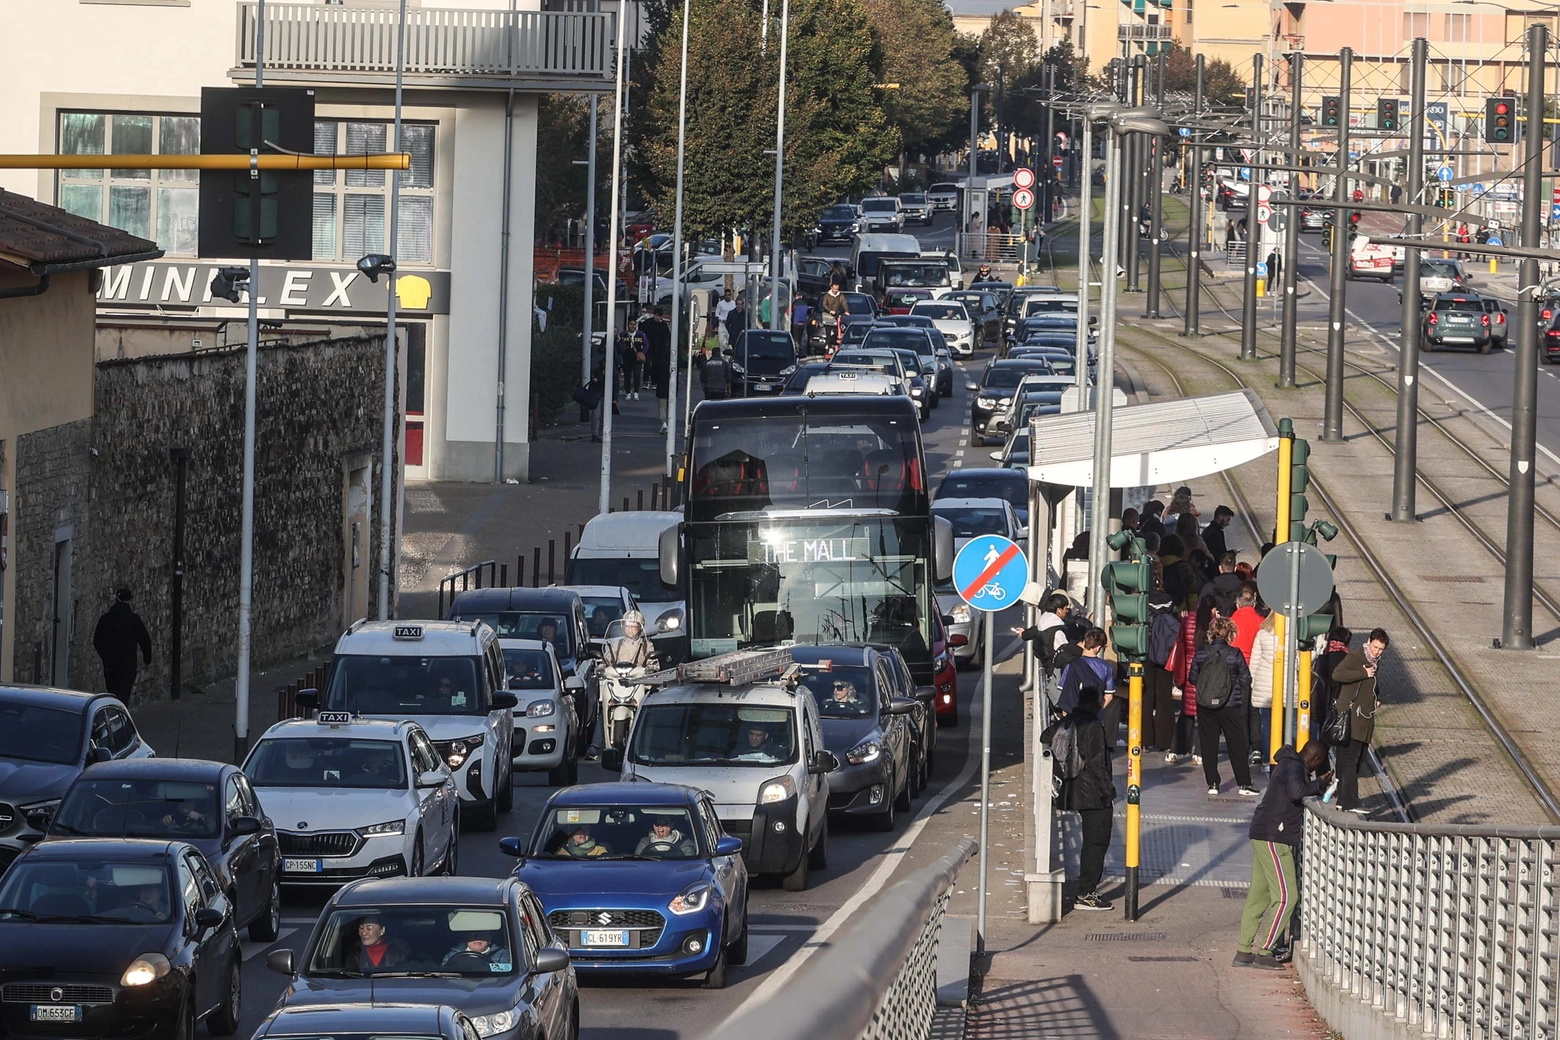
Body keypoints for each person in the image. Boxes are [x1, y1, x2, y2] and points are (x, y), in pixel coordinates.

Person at [1235, 740, 1331, 970]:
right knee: (1288, 897)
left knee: (1260, 896)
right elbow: (1297, 791)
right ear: (1315, 760)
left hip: (1263, 833)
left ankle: (1244, 951)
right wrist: (1319, 783)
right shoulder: (1294, 767)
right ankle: (1265, 951)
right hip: (1274, 838)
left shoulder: (1288, 763)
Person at [1041, 683, 1115, 912]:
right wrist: (1108, 791)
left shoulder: (1069, 720)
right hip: (1092, 792)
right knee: (1097, 841)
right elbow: (1096, 763)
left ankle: (1085, 890)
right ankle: (1086, 893)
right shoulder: (1093, 725)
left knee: (1091, 840)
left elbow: (1046, 735)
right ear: (1096, 703)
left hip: (1072, 789)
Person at [1189, 617, 1257, 796]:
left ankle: (1212, 784)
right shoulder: (1234, 654)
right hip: (1230, 705)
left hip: (1205, 705)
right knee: (1236, 745)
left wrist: (1209, 689)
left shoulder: (1201, 652)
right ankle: (1244, 784)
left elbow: (1193, 678)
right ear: (1230, 634)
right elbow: (1246, 678)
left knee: (1208, 744)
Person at [1330, 628, 1389, 814]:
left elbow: (1372, 683)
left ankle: (1342, 799)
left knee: (1356, 759)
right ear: (1368, 641)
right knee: (1350, 760)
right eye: (1375, 647)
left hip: (1363, 719)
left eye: (1380, 649)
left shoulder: (1374, 662)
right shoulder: (1356, 657)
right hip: (1352, 718)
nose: (1376, 652)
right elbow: (1337, 674)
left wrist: (1377, 696)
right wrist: (1362, 674)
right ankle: (1351, 802)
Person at [1166, 594, 1214, 764]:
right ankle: (1199, 754)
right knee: (1205, 716)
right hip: (1207, 674)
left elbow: (1181, 644)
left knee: (1186, 714)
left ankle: (1175, 751)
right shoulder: (1213, 622)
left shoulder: (1187, 621)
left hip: (1188, 673)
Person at [93, 588, 152, 703]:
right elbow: (145, 640)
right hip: (128, 664)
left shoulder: (106, 619)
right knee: (124, 694)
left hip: (110, 664)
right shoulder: (134, 619)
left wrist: (106, 657)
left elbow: (97, 641)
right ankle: (121, 718)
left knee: (112, 692)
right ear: (130, 601)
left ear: (116, 599)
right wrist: (147, 659)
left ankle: (113, 717)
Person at [1056, 627, 1116, 724]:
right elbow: (1109, 696)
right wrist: (1096, 710)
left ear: (1084, 643)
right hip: (1093, 719)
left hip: (1072, 718)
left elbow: (1065, 693)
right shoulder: (1106, 668)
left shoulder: (1071, 665)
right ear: (1099, 647)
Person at [1013, 592, 1073, 686]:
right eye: (1066, 608)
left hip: (1048, 670)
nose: (1067, 611)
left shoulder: (1044, 623)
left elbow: (1034, 630)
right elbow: (1066, 654)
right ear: (1059, 610)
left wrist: (1024, 633)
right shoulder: (1057, 631)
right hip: (1058, 674)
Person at [1247, 610, 1278, 767]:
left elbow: (1255, 661)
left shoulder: (1262, 634)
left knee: (1266, 722)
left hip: (1264, 686)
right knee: (1289, 723)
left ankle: (1268, 758)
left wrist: (1253, 684)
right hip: (1287, 687)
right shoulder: (1293, 634)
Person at [644, 307, 673, 433]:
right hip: (652, 351)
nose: (657, 318)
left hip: (661, 385)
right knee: (669, 404)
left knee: (662, 404)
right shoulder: (651, 324)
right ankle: (667, 423)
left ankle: (665, 423)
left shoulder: (662, 327)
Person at [1158, 534, 1198, 612]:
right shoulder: (1185, 567)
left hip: (1160, 609)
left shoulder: (1157, 565)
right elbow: (1192, 593)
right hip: (1180, 611)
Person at [1199, 552, 1244, 616]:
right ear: (1235, 568)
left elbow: (1198, 610)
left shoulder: (1209, 587)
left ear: (1220, 568)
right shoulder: (1243, 589)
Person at [443, 931, 513, 970]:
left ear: (489, 939)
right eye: (473, 934)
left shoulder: (502, 954)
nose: (478, 937)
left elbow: (506, 977)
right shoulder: (452, 955)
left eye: (483, 934)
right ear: (466, 938)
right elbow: (444, 975)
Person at [820, 284, 849, 351]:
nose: (835, 291)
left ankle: (833, 344)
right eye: (834, 289)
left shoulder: (840, 295)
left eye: (837, 289)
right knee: (828, 330)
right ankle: (828, 345)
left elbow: (844, 303)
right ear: (831, 288)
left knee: (837, 331)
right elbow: (824, 304)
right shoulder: (827, 295)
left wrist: (846, 311)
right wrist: (830, 311)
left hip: (836, 316)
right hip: (828, 315)